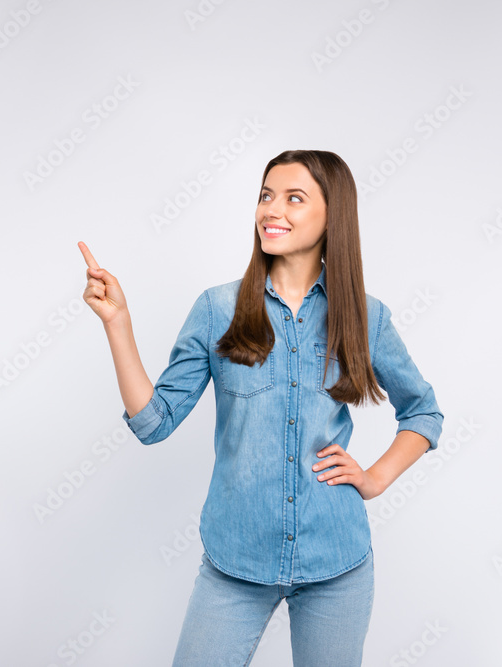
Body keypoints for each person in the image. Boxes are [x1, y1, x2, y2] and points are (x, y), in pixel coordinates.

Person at [78, 149, 444, 667]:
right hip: (235, 561)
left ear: (332, 214)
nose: (273, 210)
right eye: (267, 195)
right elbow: (153, 423)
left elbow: (424, 413)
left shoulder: (365, 315)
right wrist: (118, 324)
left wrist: (375, 477)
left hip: (336, 562)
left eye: (294, 198)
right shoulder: (217, 309)